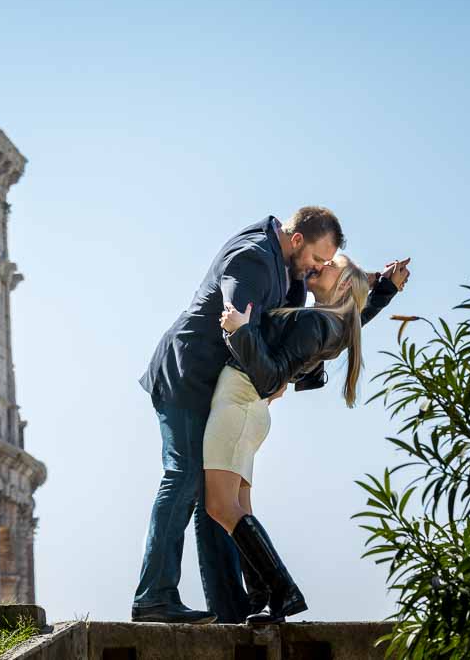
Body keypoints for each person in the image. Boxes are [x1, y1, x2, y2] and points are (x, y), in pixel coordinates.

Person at [133, 207, 344, 624]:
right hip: (187, 376)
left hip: (215, 387)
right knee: (185, 476)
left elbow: (337, 314)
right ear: (297, 239)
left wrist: (379, 288)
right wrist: (268, 369)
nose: (318, 268)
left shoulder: (289, 270)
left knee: (216, 493)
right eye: (318, 258)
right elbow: (238, 316)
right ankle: (154, 596)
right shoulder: (253, 257)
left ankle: (229, 609)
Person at [202, 254, 408, 624]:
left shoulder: (316, 323)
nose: (322, 263)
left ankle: (283, 593)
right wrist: (385, 286)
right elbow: (357, 316)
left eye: (331, 265)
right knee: (238, 508)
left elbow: (271, 376)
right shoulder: (335, 323)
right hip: (249, 408)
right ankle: (263, 596)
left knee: (220, 506)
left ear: (343, 285)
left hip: (240, 399)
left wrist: (240, 330)